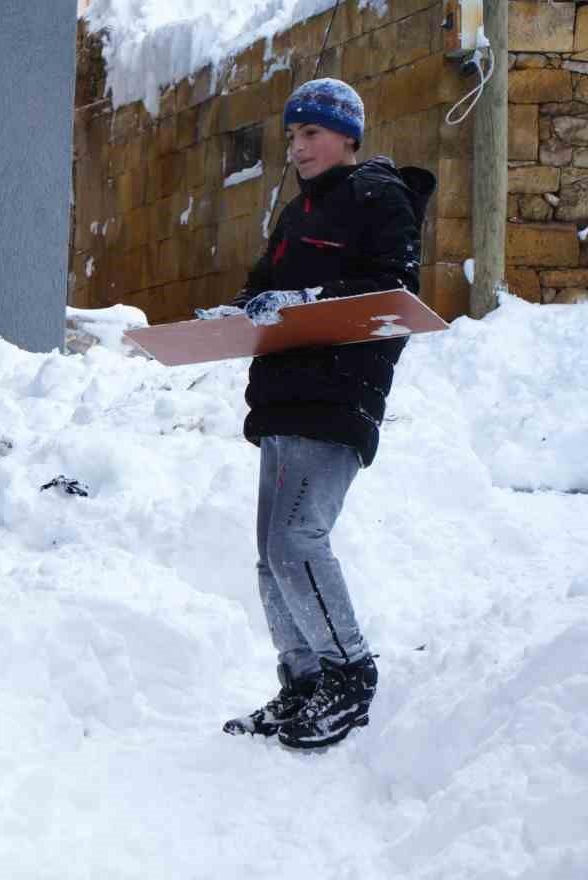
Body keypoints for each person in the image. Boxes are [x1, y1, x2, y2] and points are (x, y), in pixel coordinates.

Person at [205, 78, 434, 749]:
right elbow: (262, 290)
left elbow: (393, 289)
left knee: (296, 542)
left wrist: (300, 298)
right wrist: (239, 311)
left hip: (337, 394)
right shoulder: (297, 214)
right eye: (293, 135)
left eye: (310, 134)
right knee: (269, 557)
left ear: (347, 138)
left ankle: (349, 675)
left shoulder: (379, 196)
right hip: (281, 396)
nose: (297, 147)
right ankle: (303, 679)